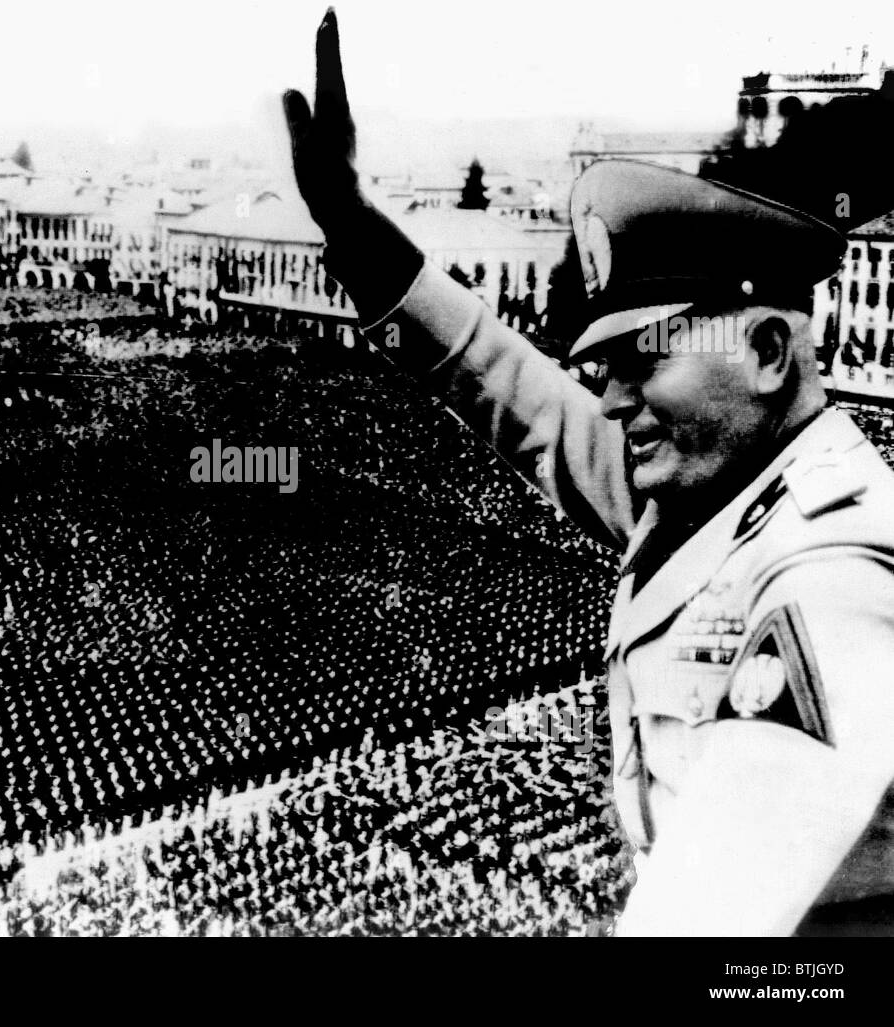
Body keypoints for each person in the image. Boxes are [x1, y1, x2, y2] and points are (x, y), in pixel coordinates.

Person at [283, 8, 894, 935]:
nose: (610, 404)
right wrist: (360, 238)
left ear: (769, 351)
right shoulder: (725, 483)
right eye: (603, 372)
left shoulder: (831, 578)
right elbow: (522, 395)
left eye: (642, 366)